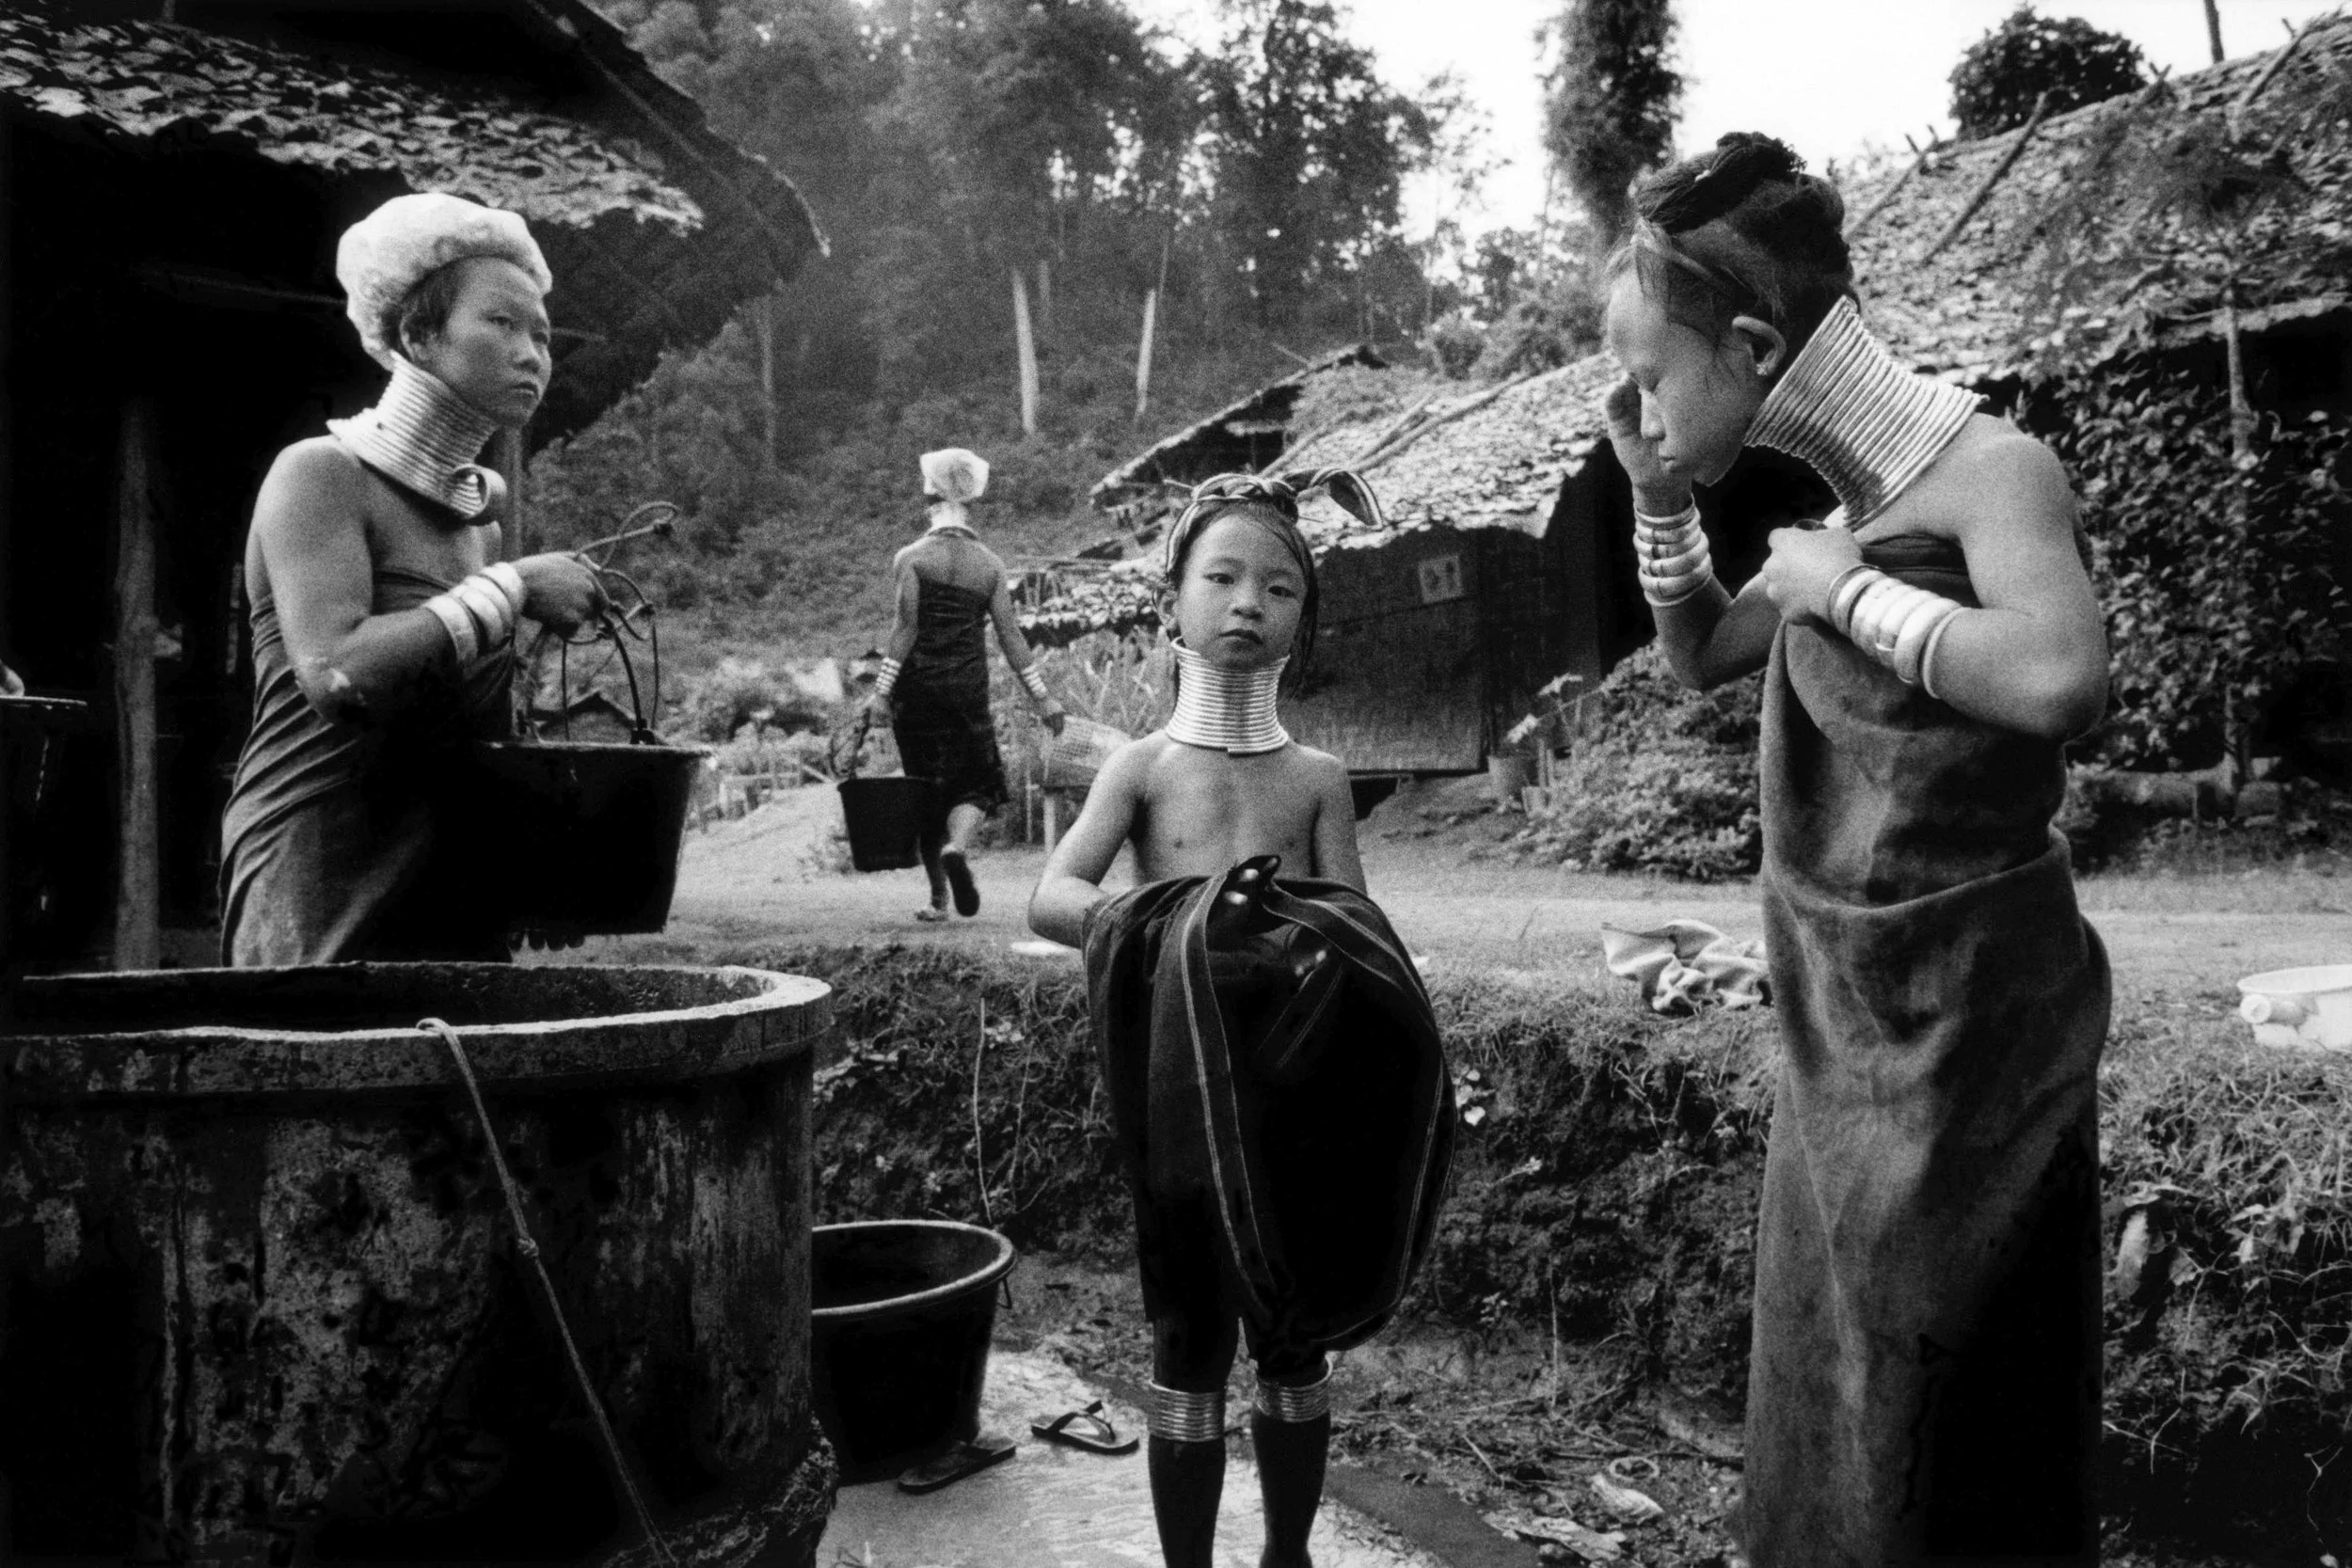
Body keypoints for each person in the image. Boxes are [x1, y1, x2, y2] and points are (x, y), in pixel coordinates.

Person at [1599, 134, 2110, 1566]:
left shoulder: (1990, 471)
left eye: (1651, 373)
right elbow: (1702, 650)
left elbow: (2063, 672)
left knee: (1955, 1416)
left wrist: (1856, 594)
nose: (1634, 399)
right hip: (1844, 1044)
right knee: (1838, 1403)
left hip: (1976, 1050)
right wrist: (1655, 486)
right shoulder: (1846, 525)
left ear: (1755, 345)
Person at [1029, 471, 1454, 1568]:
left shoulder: (1315, 776)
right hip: (1175, 1100)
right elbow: (1053, 894)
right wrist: (1178, 931)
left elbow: (1361, 931)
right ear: (1171, 598)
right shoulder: (1141, 766)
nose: (1245, 603)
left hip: (1296, 1095)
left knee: (1292, 1329)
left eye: (1277, 587)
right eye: (1219, 576)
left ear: (1301, 622)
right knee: (1186, 1333)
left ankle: (1286, 1554)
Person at [218, 193, 605, 966]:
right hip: (319, 871)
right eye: (501, 322)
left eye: (542, 333)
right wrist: (513, 589)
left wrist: (532, 855)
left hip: (450, 876)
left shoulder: (478, 525)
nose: (532, 352)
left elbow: (466, 721)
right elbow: (338, 669)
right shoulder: (321, 474)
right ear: (419, 336)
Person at [867, 448, 1065, 921]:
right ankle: (959, 847)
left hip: (917, 693)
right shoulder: (991, 566)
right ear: (972, 500)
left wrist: (880, 691)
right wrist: (1043, 696)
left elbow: (904, 630)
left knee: (925, 789)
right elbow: (1011, 637)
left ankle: (938, 902)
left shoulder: (912, 558)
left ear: (930, 494)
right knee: (976, 783)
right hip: (966, 689)